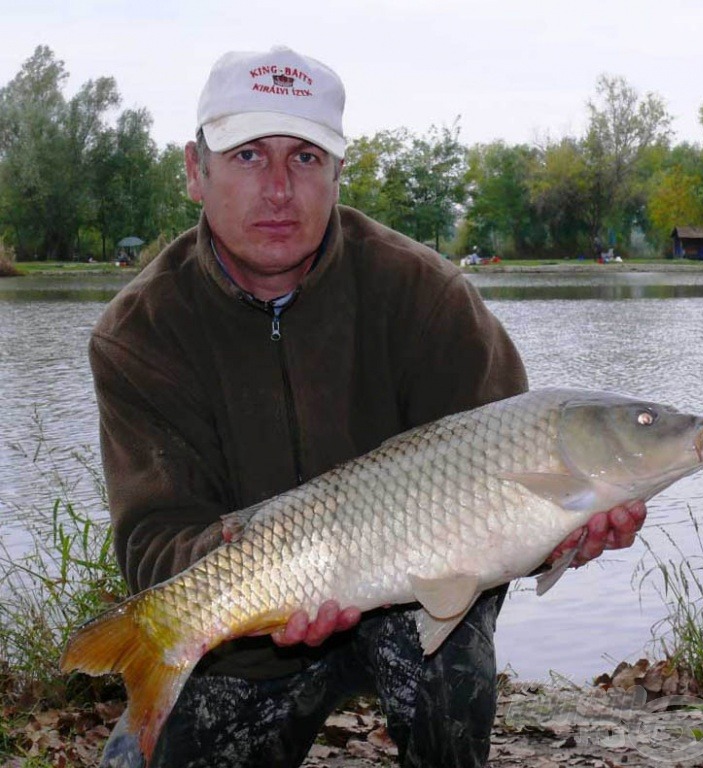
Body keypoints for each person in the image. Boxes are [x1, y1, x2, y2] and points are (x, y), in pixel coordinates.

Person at [91, 46, 646, 768]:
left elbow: (515, 487)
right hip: (247, 636)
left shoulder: (428, 297)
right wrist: (264, 582)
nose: (281, 189)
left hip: (422, 610)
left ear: (337, 173)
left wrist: (568, 532)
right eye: (250, 156)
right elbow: (154, 543)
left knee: (447, 670)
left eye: (307, 158)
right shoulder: (140, 332)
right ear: (197, 172)